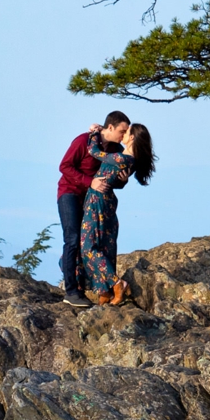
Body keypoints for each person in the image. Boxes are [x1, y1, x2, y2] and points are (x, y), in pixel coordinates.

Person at [80, 122, 156, 307]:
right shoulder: (129, 160)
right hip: (106, 202)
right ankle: (104, 291)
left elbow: (94, 151)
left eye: (126, 132)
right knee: (104, 246)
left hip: (97, 202)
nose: (123, 134)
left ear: (132, 138)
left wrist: (94, 133)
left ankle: (116, 283)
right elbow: (116, 180)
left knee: (88, 248)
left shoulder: (122, 159)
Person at [57, 112, 129, 307]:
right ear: (110, 127)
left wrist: (122, 180)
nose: (123, 136)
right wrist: (90, 182)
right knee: (72, 239)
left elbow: (110, 180)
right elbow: (64, 166)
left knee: (90, 243)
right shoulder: (83, 141)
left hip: (94, 201)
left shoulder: (116, 149)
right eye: (121, 131)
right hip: (70, 193)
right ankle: (71, 292)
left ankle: (91, 286)